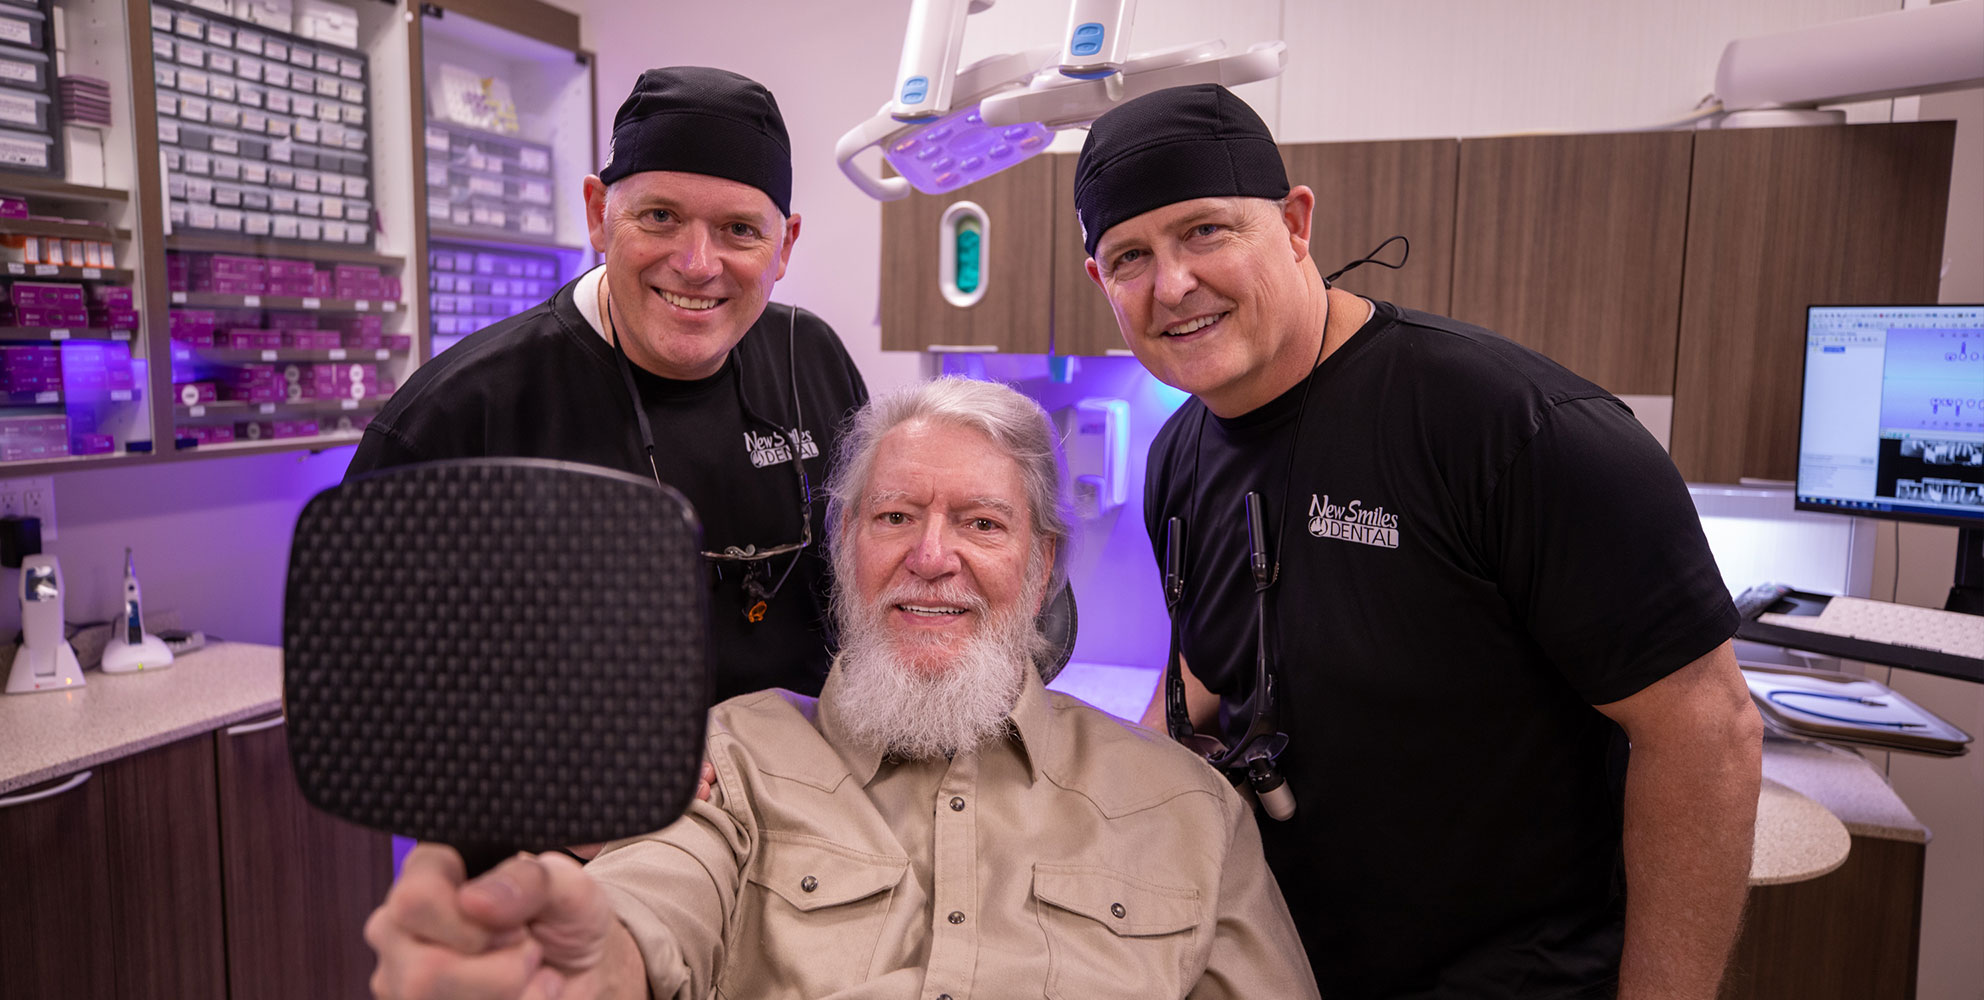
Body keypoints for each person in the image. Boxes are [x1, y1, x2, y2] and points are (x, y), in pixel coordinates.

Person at [1072, 85, 1763, 1000]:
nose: (1173, 284)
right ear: (1101, 284)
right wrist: (1059, 786)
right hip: (1283, 966)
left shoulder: (1510, 429)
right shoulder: (1179, 454)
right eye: (1131, 256)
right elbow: (1207, 676)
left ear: (1295, 222)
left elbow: (1707, 734)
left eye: (1206, 231)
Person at [360, 377, 1321, 1000]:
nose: (931, 557)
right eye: (895, 516)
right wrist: (593, 957)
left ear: (1040, 570)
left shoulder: (1189, 811)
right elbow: (657, 897)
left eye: (982, 524)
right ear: (844, 548)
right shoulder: (732, 757)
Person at [350, 66, 867, 704]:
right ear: (599, 215)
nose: (697, 265)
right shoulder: (458, 417)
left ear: (783, 246)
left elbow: (872, 580)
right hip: (580, 796)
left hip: (807, 780)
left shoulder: (812, 359)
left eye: (740, 230)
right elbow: (347, 688)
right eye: (659, 216)